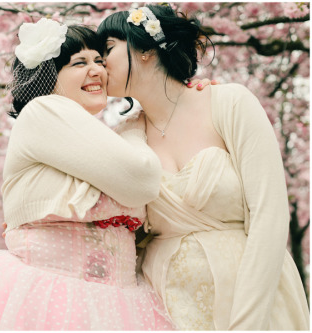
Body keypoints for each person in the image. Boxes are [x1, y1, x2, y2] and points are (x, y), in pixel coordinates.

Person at [0, 19, 176, 330]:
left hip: (115, 300)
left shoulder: (85, 136)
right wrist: (133, 131)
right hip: (54, 296)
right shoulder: (43, 110)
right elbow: (141, 181)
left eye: (99, 61)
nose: (97, 71)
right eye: (80, 62)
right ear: (50, 75)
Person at [97, 4, 310, 330]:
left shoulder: (229, 103)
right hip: (167, 309)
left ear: (144, 49)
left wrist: (247, 323)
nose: (98, 64)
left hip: (253, 305)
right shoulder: (122, 138)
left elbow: (270, 214)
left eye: (107, 50)